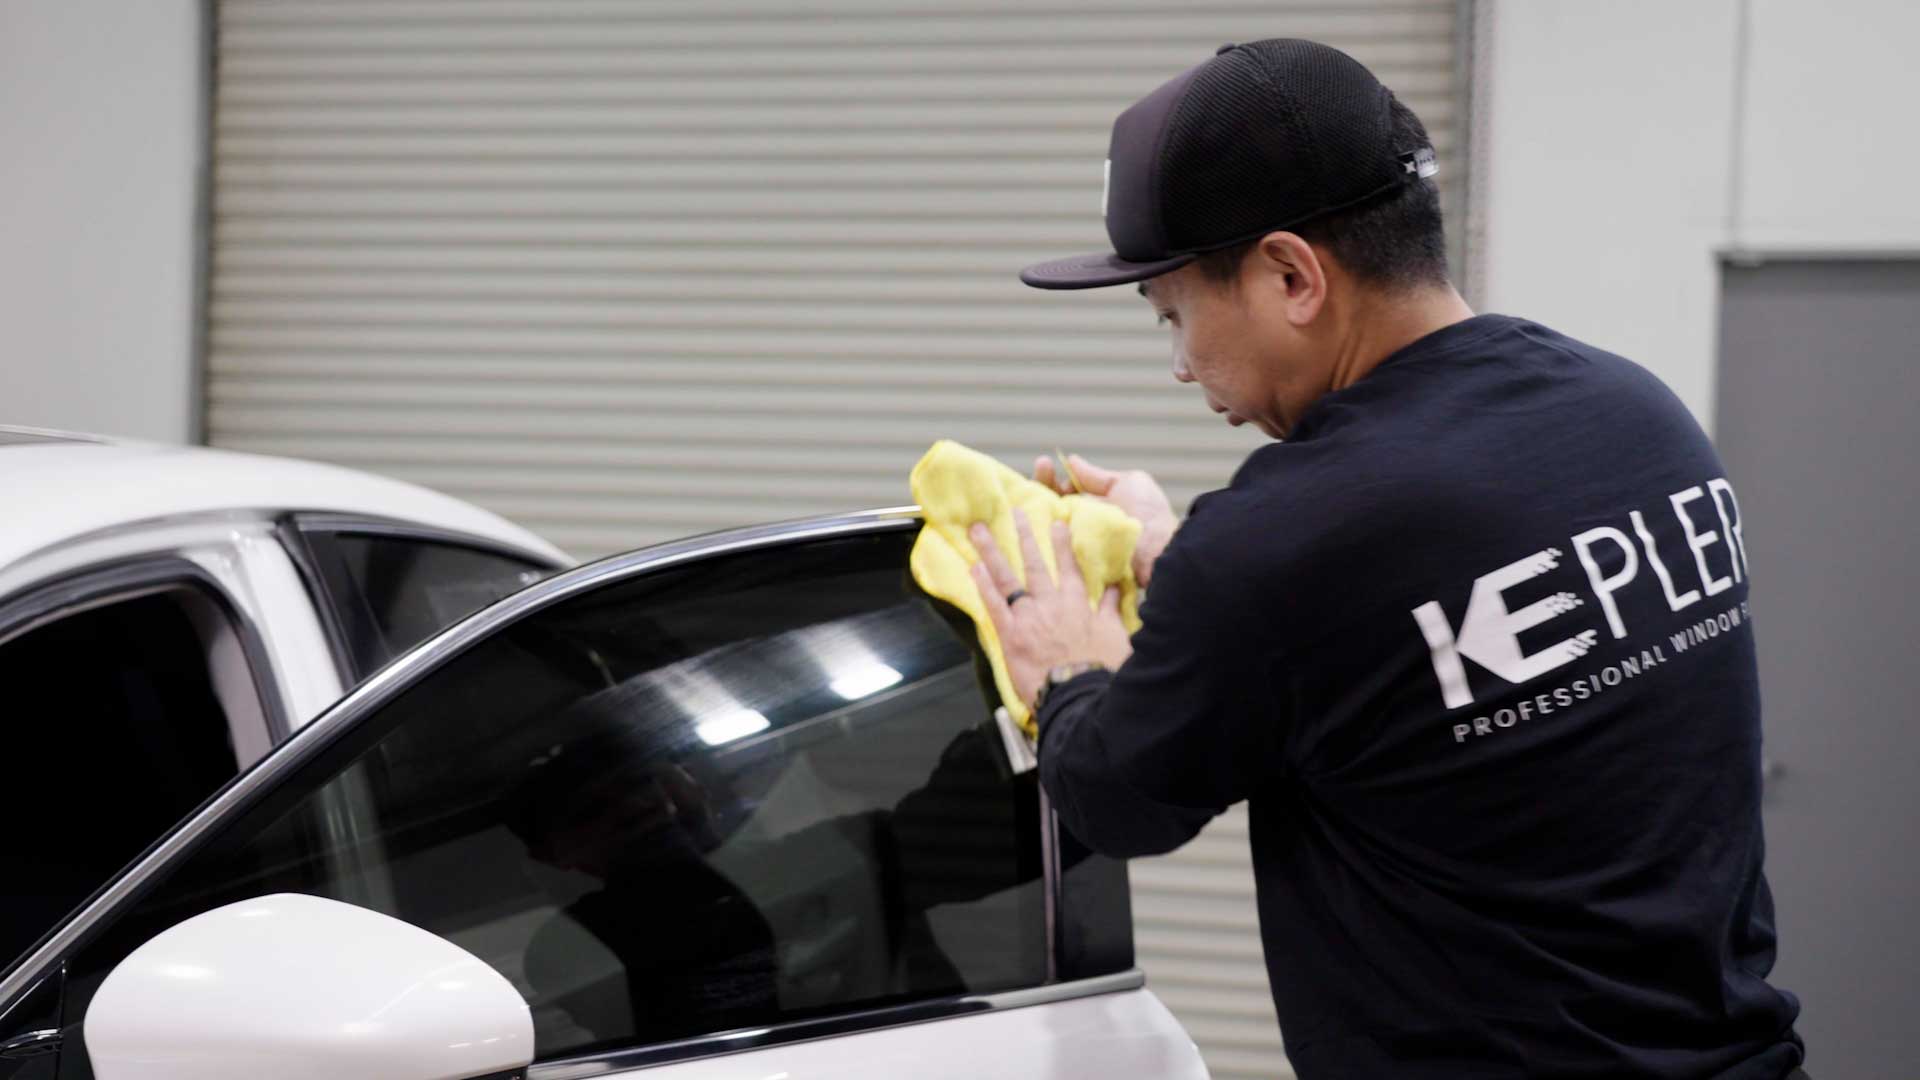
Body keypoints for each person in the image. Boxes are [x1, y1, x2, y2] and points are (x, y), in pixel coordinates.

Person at [969, 38, 1807, 1079]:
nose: (1183, 367)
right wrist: (1185, 558)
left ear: (1290, 274)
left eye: (1175, 313)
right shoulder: (1634, 413)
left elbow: (1116, 800)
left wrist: (1066, 668)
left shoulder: (1283, 543)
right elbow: (1396, 641)